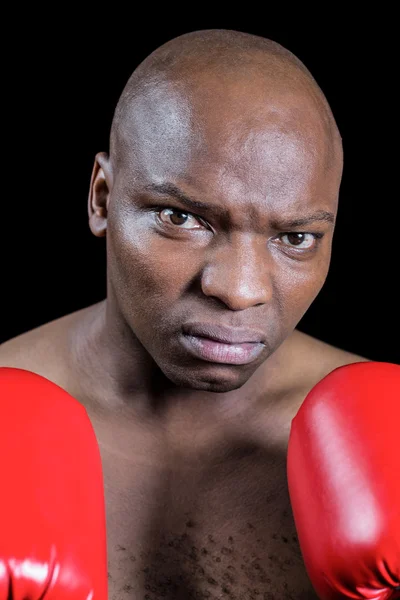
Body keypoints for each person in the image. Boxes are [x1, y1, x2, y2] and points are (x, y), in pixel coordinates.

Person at [0, 29, 372, 599]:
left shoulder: (385, 447)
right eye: (181, 218)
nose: (241, 290)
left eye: (296, 236)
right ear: (102, 197)